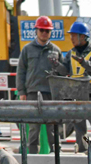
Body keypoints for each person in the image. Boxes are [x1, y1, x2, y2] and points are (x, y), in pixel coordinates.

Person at [51, 21, 91, 153]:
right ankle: (83, 149)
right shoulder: (71, 53)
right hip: (77, 95)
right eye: (71, 35)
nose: (71, 38)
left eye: (74, 35)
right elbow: (66, 71)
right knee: (80, 128)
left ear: (83, 37)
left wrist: (83, 62)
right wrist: (56, 65)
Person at [16, 15, 62, 154]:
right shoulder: (27, 49)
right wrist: (22, 92)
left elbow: (62, 73)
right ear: (36, 30)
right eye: (41, 30)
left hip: (51, 93)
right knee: (33, 128)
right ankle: (32, 156)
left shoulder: (56, 51)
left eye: (47, 31)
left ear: (50, 32)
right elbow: (21, 71)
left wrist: (60, 94)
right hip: (32, 93)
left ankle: (56, 155)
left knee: (52, 127)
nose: (44, 33)